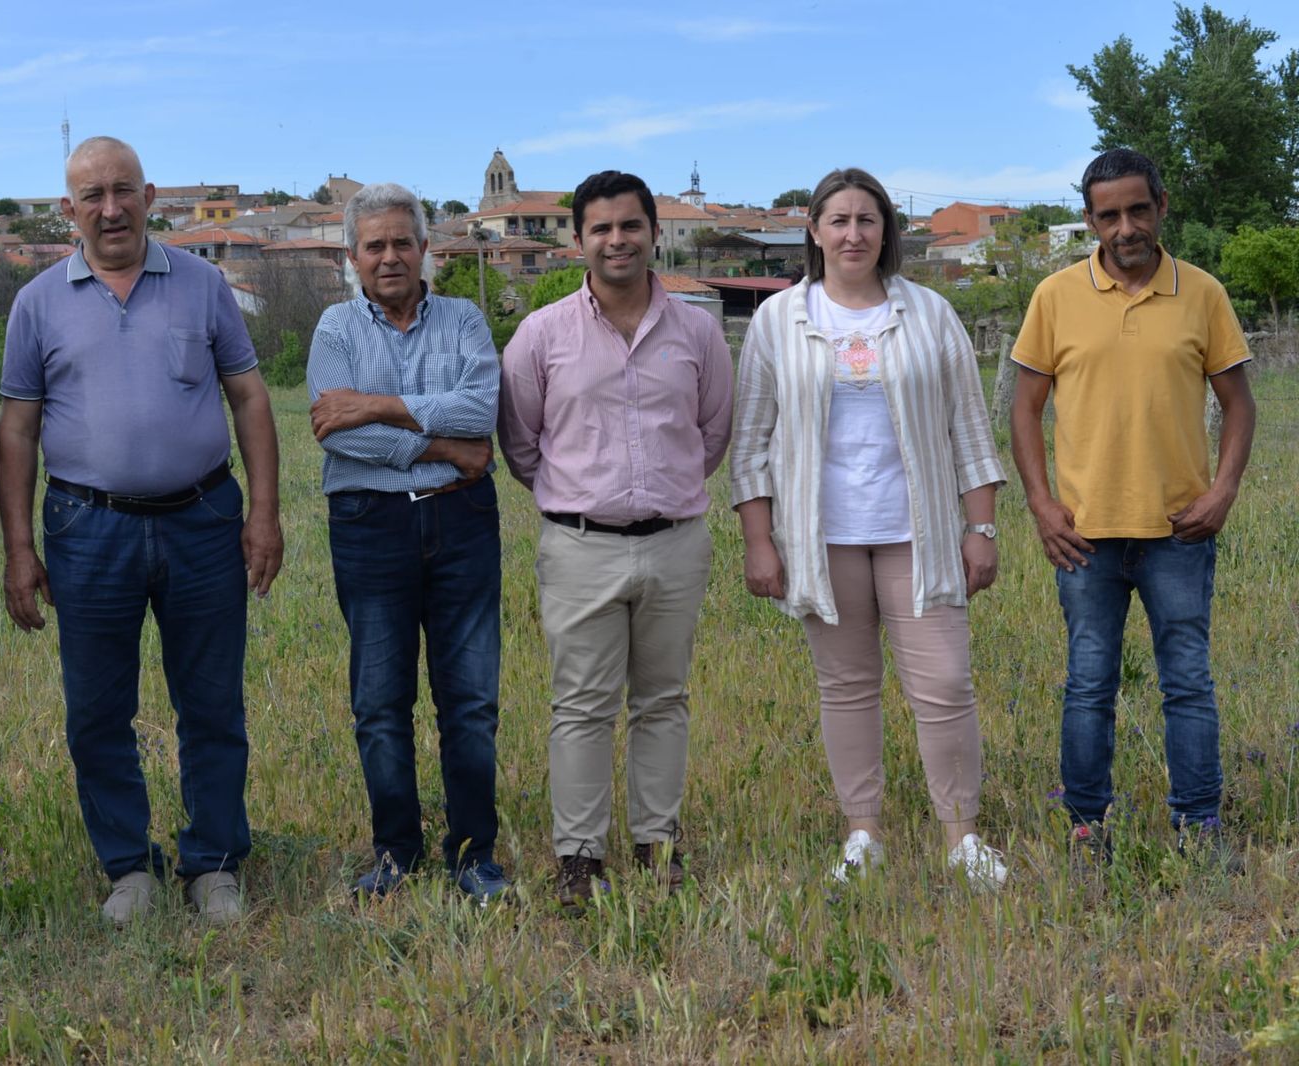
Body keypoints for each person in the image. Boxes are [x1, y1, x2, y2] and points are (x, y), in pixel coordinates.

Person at [0, 136, 283, 925]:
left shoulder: (202, 284)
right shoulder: (38, 303)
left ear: (151, 196)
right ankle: (130, 868)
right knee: (96, 710)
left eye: (124, 190)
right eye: (93, 196)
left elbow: (251, 400)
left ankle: (214, 864)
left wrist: (264, 513)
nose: (111, 208)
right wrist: (20, 547)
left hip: (204, 521)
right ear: (68, 210)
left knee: (213, 704)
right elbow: (16, 432)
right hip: (89, 530)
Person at [730, 167, 1008, 890]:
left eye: (867, 220)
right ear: (814, 232)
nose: (853, 233)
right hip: (822, 539)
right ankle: (864, 833)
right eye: (839, 220)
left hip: (918, 532)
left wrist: (981, 527)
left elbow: (970, 430)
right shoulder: (778, 321)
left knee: (945, 684)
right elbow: (752, 441)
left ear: (887, 232)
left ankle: (962, 837)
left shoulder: (930, 314)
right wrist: (760, 540)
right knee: (847, 687)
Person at [1010, 147, 1255, 873]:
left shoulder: (1203, 293)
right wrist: (1041, 505)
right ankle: (1087, 827)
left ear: (1162, 207)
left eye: (1137, 210)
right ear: (1089, 220)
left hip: (1181, 531)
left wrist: (1223, 491)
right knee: (1089, 684)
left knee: (1188, 681)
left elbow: (1240, 403)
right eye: (1108, 214)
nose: (1125, 227)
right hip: (1085, 536)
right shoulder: (1055, 296)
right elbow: (1025, 409)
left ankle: (1199, 825)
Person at [498, 170, 732, 909]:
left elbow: (713, 432)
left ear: (654, 232)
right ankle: (579, 859)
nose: (617, 240)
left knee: (663, 699)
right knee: (581, 706)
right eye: (600, 228)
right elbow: (520, 440)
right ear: (577, 242)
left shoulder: (698, 331)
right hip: (579, 546)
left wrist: (661, 492)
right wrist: (579, 500)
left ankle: (657, 844)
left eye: (630, 225)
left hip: (675, 543)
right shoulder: (542, 335)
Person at [307, 183, 508, 903]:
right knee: (380, 700)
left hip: (462, 523)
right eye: (374, 246)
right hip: (371, 525)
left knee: (471, 699)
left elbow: (482, 408)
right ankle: (395, 849)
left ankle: (473, 853)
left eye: (402, 242)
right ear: (353, 258)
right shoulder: (334, 329)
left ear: (427, 250)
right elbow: (339, 431)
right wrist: (447, 449)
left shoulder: (465, 319)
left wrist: (380, 405)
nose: (389, 256)